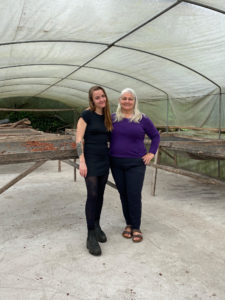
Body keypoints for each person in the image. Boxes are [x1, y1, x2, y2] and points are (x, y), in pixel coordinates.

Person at [109, 88, 160, 242]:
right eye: (124, 98)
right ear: (119, 100)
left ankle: (136, 226)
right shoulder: (112, 118)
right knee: (123, 194)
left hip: (136, 164)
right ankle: (129, 224)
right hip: (116, 162)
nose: (127, 101)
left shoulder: (142, 119)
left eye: (130, 99)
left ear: (135, 101)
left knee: (134, 194)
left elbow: (155, 136)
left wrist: (151, 153)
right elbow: (100, 134)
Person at [76, 86, 112, 256]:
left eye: (102, 96)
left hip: (104, 160)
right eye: (97, 97)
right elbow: (78, 140)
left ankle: (97, 225)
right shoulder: (86, 115)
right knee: (92, 195)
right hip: (90, 161)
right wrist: (81, 161)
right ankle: (90, 234)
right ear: (92, 100)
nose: (101, 99)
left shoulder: (107, 117)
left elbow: (110, 139)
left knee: (100, 195)